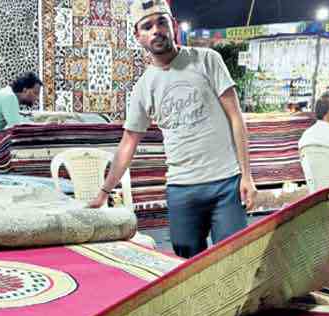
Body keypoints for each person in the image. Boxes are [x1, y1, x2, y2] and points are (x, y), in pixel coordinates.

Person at [87, 0, 258, 258]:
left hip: (225, 182)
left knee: (234, 256)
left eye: (161, 22)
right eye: (147, 26)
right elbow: (128, 143)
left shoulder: (207, 60)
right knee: (185, 259)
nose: (156, 30)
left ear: (173, 26)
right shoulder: (144, 87)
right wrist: (103, 193)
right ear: (138, 36)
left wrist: (247, 175)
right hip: (182, 187)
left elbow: (236, 117)